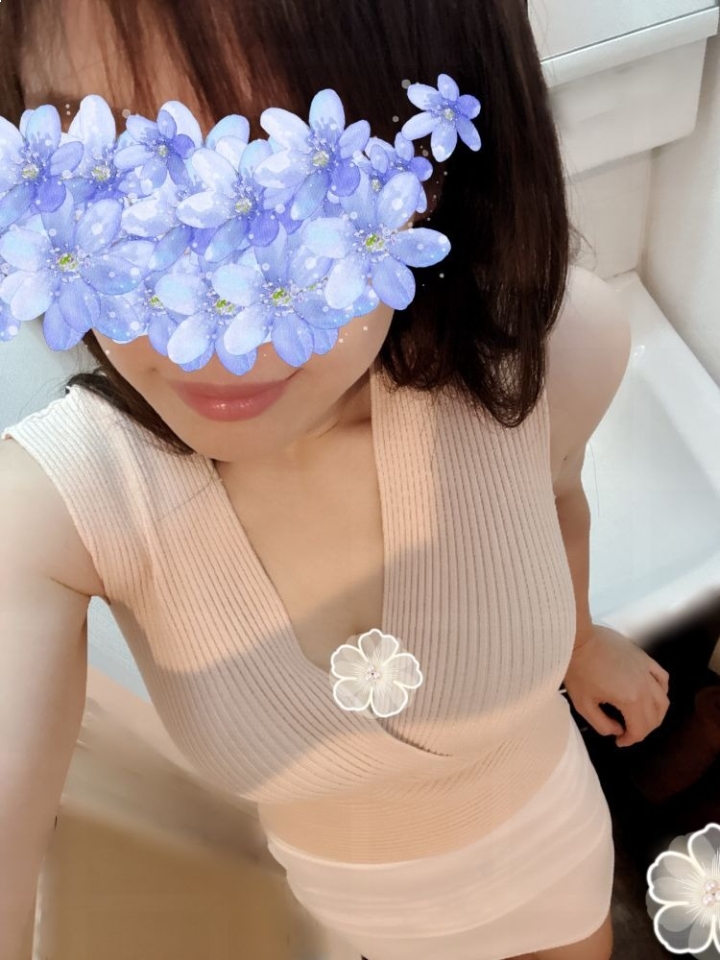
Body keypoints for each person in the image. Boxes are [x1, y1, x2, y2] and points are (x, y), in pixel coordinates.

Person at [0, 0, 671, 958]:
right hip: (360, 912)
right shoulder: (50, 514)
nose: (216, 332)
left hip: (548, 850)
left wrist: (581, 639)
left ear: (433, 176)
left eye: (301, 187)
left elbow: (556, 498)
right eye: (104, 178)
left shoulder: (556, 358)